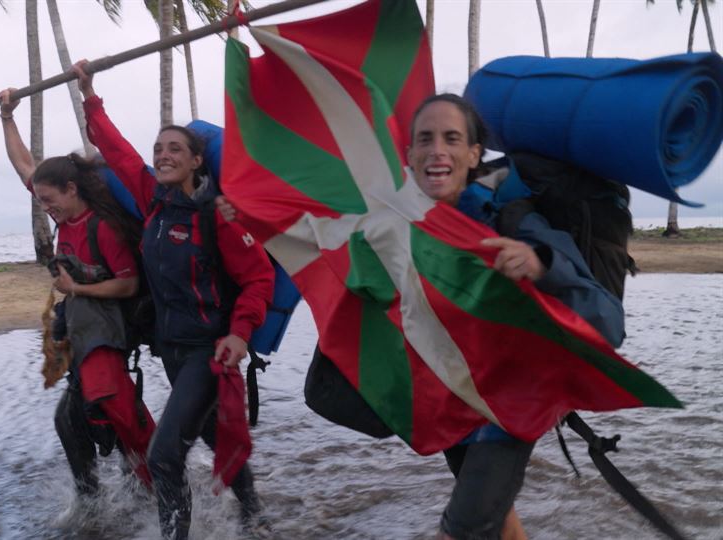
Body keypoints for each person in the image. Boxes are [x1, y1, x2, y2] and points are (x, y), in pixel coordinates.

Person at [217, 93, 625, 540]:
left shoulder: (511, 221)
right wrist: (252, 214)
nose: (437, 150)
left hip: (511, 407)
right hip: (449, 400)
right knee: (501, 525)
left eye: (452, 138)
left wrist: (541, 265)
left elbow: (607, 321)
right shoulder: (395, 222)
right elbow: (317, 234)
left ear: (474, 154)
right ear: (409, 155)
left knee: (461, 530)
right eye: (425, 139)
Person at [70, 60, 276, 539]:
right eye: (158, 149)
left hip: (208, 350)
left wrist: (240, 334)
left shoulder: (217, 216)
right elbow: (120, 155)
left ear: (197, 161)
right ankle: (255, 515)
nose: (163, 156)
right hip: (171, 349)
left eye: (175, 149)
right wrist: (90, 98)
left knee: (163, 456)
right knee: (211, 433)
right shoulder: (154, 202)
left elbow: (259, 278)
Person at [0, 89, 157, 496]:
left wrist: (76, 287)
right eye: (41, 200)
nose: (45, 207)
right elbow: (24, 166)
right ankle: (95, 498)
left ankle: (158, 480)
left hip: (108, 330)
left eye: (49, 200)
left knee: (117, 410)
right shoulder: (62, 216)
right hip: (81, 333)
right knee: (69, 421)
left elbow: (129, 284)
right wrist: (6, 117)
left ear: (71, 189)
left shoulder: (103, 227)